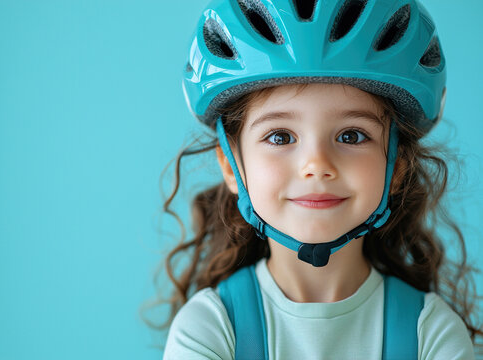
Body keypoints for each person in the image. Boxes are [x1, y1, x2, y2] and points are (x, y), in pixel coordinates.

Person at [160, 0, 481, 358]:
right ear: (230, 165)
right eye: (280, 136)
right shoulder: (211, 328)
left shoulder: (430, 332)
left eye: (351, 136)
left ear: (397, 168)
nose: (316, 165)